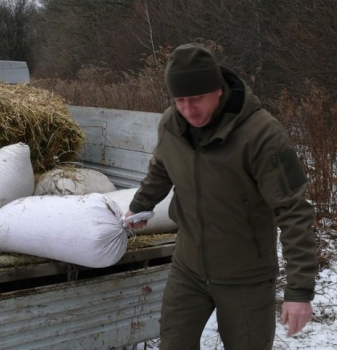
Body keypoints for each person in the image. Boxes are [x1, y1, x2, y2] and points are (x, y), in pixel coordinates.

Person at [125, 43, 319, 350]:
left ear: (217, 88)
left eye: (197, 98)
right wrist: (142, 203)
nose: (188, 110)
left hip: (246, 277)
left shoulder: (262, 135)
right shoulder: (171, 125)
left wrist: (299, 291)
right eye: (180, 100)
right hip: (188, 268)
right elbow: (162, 167)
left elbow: (294, 212)